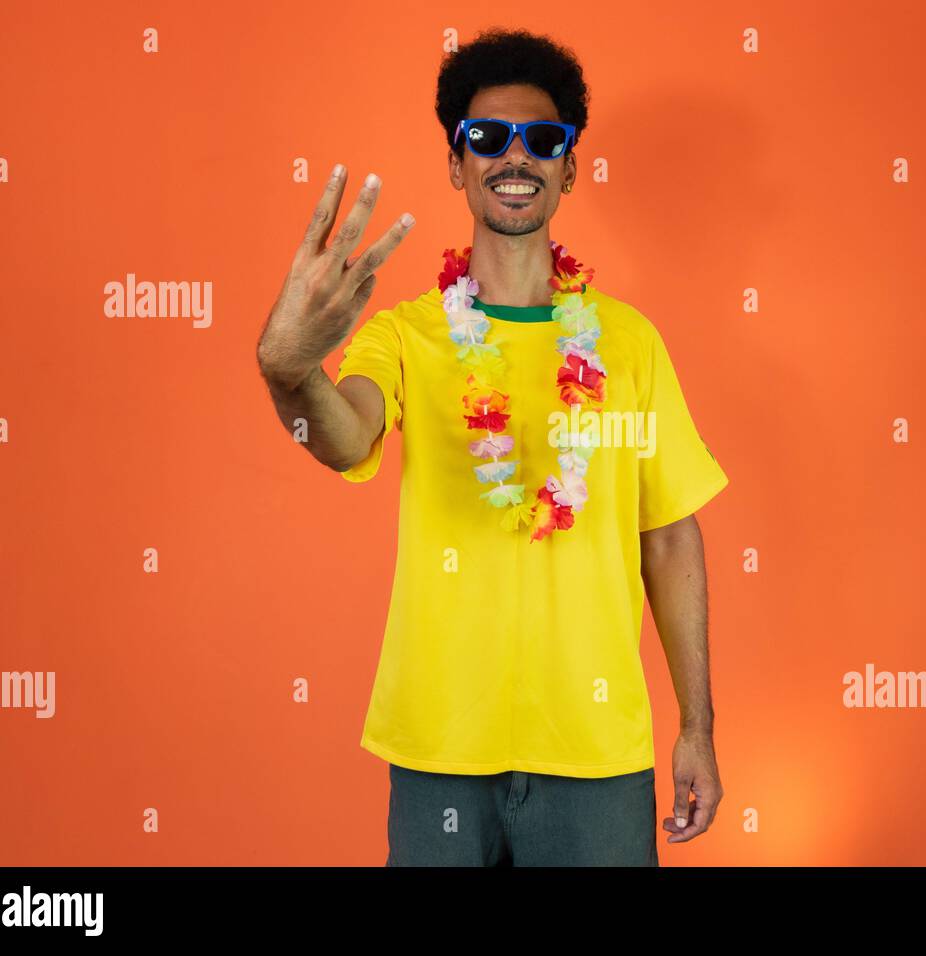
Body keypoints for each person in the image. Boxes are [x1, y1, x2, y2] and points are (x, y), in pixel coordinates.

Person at [256, 28, 728, 866]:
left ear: (570, 167)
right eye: (487, 137)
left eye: (544, 140)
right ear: (456, 162)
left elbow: (669, 534)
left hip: (597, 754)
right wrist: (291, 372)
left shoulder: (629, 343)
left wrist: (697, 726)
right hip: (441, 748)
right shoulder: (405, 335)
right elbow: (342, 434)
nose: (517, 156)